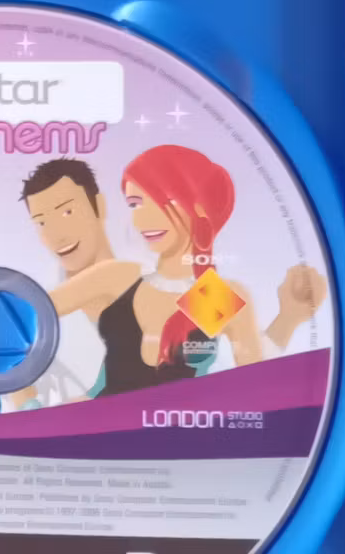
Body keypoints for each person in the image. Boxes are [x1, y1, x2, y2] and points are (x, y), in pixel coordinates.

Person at [41, 144, 326, 396]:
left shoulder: (213, 296)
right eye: (135, 204)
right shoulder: (119, 277)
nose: (142, 220)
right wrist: (27, 399)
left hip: (177, 435)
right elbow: (27, 311)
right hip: (99, 430)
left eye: (162, 201)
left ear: (199, 207)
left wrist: (289, 318)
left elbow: (254, 386)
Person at [16, 157, 119, 402]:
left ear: (99, 206)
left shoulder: (160, 283)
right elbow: (19, 405)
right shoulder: (31, 329)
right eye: (42, 222)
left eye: (67, 212)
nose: (56, 235)